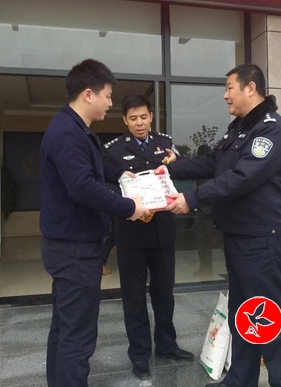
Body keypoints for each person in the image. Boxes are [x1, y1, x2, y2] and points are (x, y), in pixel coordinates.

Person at [162, 64, 281, 387]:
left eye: (229, 88)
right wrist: (172, 168)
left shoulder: (270, 131)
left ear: (250, 88)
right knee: (244, 314)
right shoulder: (239, 128)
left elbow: (241, 178)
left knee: (270, 318)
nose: (225, 95)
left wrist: (191, 199)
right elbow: (214, 162)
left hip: (261, 240)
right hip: (239, 237)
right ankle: (241, 379)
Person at [39, 59, 149, 387]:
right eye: (108, 95)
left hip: (70, 247)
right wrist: (129, 207)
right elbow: (83, 187)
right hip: (75, 250)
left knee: (65, 328)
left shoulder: (76, 130)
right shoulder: (68, 133)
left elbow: (97, 168)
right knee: (78, 336)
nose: (110, 103)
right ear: (89, 94)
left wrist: (123, 174)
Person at [103, 94, 194, 380]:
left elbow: (178, 169)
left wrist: (176, 162)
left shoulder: (164, 143)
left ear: (151, 116)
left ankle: (167, 344)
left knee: (164, 293)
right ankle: (140, 355)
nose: (139, 123)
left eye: (143, 117)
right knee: (133, 298)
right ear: (125, 120)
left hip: (162, 233)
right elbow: (103, 182)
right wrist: (123, 186)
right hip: (130, 234)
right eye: (133, 118)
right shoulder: (113, 150)